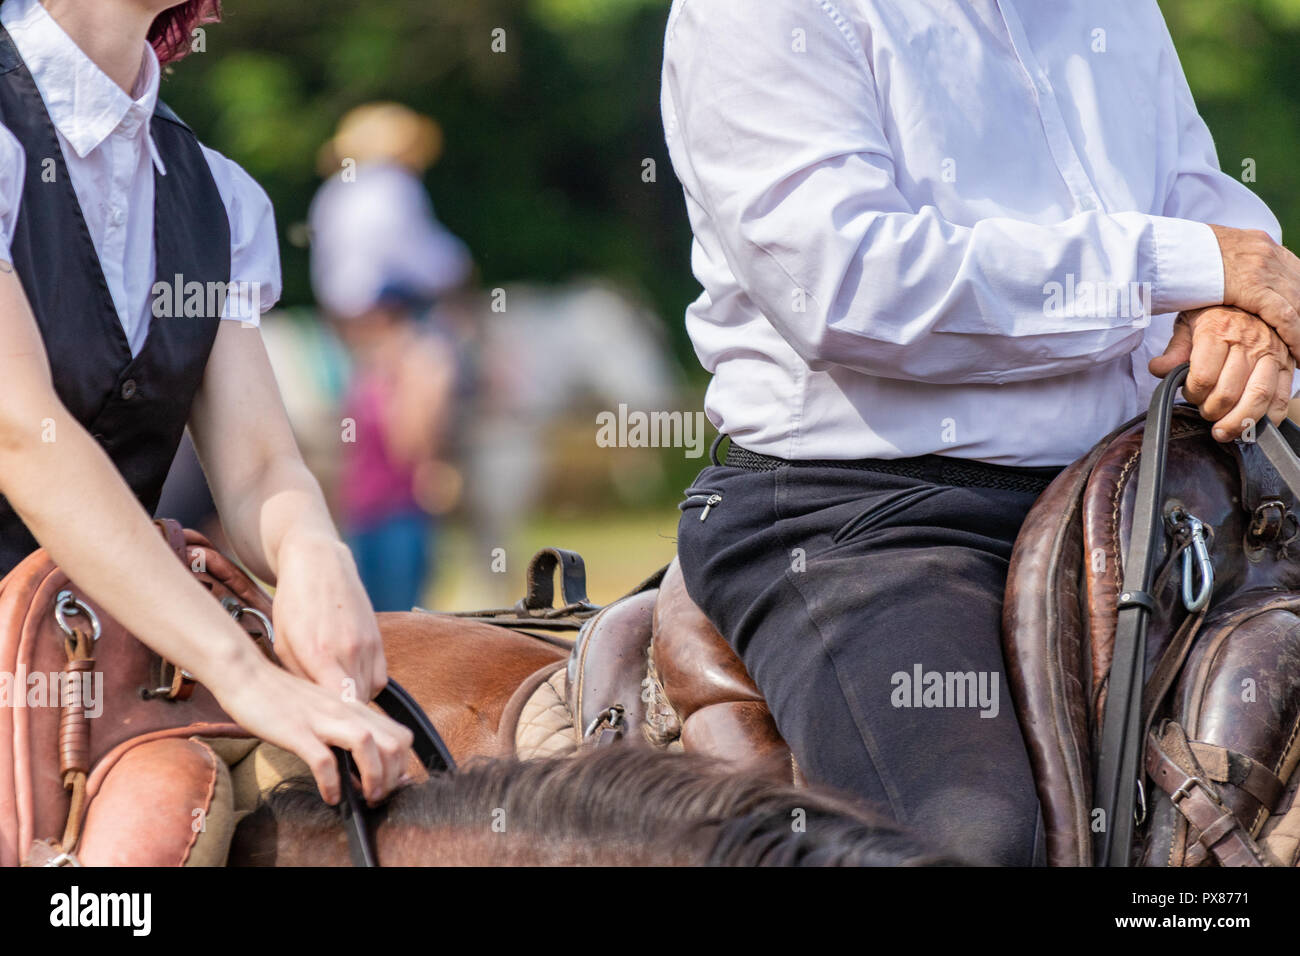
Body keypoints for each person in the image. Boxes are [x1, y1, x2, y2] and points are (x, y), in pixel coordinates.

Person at [662, 0, 1300, 864]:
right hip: (870, 517)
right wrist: (1191, 266)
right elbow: (847, 284)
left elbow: (1202, 205)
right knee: (976, 840)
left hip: (1155, 491)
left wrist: (1239, 307)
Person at [0, 0, 412, 807]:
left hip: (94, 664)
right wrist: (240, 670)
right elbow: (22, 433)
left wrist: (312, 554)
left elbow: (259, 467)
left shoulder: (213, 194)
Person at [308, 103, 470, 611]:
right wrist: (458, 269)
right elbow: (424, 258)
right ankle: (436, 462)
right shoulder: (396, 188)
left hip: (341, 316)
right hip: (394, 306)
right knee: (444, 362)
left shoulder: (334, 193)